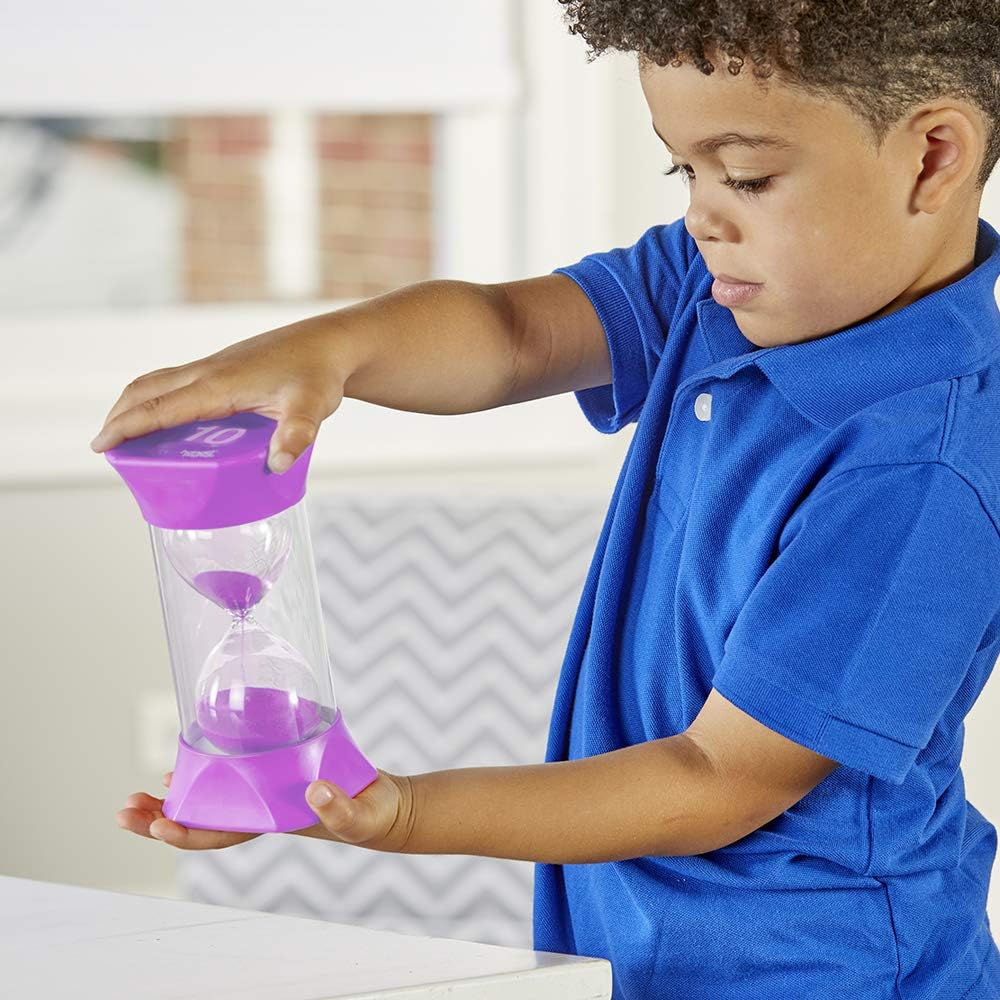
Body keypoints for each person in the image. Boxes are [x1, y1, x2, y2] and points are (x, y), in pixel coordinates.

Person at [100, 2, 1000, 996]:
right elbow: (512, 333)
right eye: (684, 171)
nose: (704, 214)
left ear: (931, 158)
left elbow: (717, 779)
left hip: (820, 974)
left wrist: (403, 811)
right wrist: (327, 349)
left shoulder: (918, 479)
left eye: (745, 176)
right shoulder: (718, 283)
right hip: (634, 949)